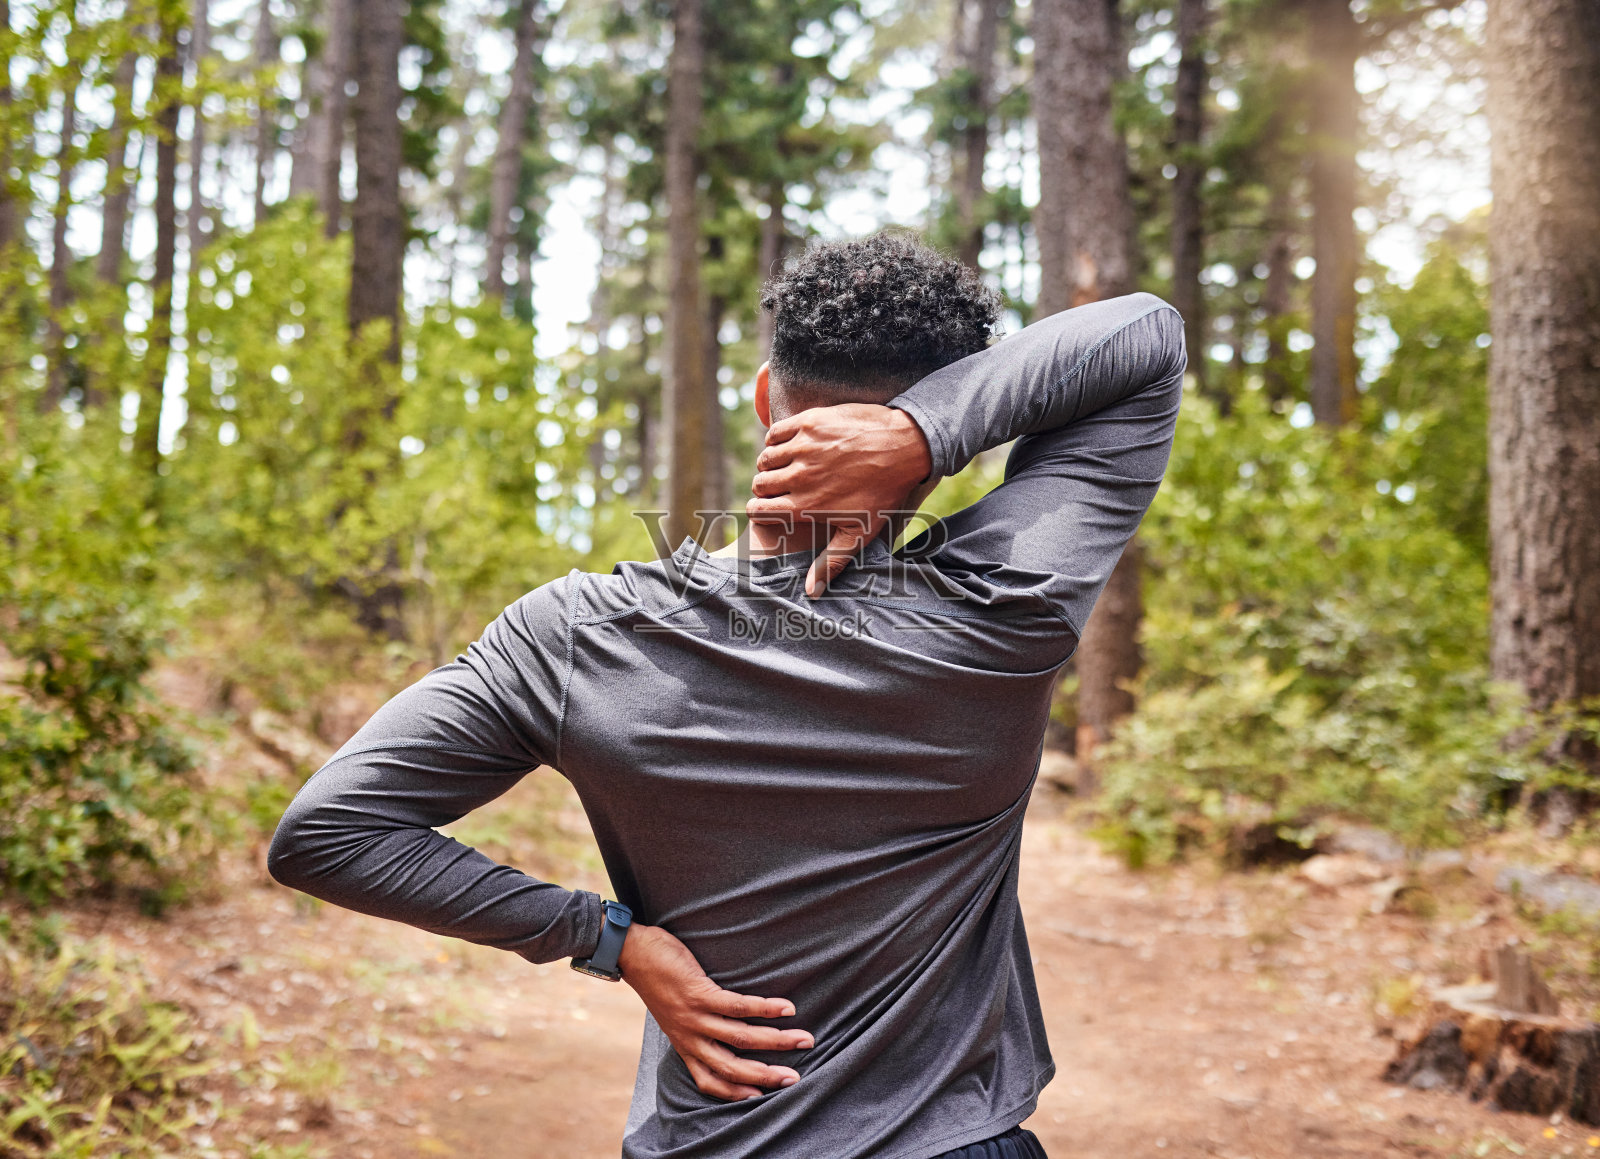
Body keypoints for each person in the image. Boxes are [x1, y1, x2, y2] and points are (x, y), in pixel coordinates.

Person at [268, 233, 1185, 1159]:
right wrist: (922, 431)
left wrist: (609, 939)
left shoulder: (581, 635)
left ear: (762, 399)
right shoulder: (1004, 610)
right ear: (939, 458)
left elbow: (328, 833)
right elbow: (1146, 336)